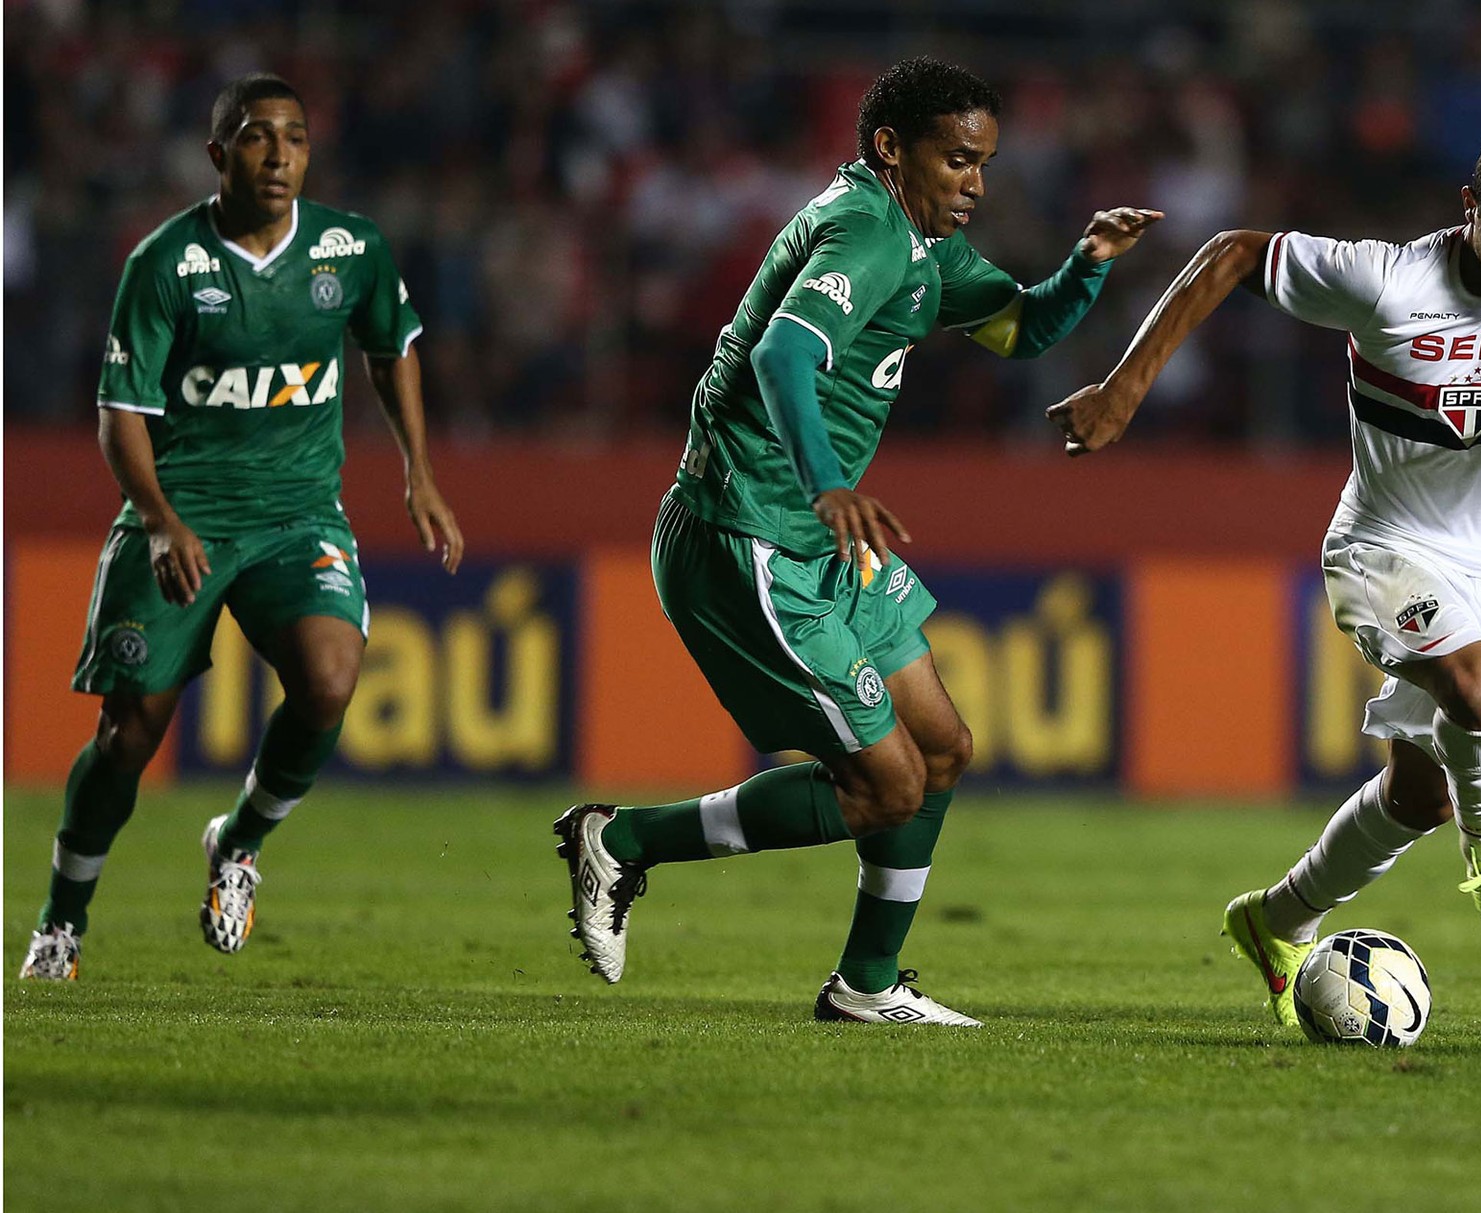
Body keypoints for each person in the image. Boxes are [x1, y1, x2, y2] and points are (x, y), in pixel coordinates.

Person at [553, 57, 1159, 1025]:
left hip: (816, 537)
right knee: (886, 786)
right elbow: (784, 350)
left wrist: (1085, 265)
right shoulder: (866, 231)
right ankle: (623, 841)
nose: (976, 183)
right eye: (958, 159)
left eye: (985, 163)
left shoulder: (922, 246)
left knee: (944, 749)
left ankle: (867, 986)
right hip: (746, 533)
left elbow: (1021, 329)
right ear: (891, 148)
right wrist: (829, 481)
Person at [1046, 127, 1481, 1031]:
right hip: (1382, 546)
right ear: (1470, 210)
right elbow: (1234, 253)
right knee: (1479, 690)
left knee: (1419, 793)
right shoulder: (1388, 280)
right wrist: (1125, 388)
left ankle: (1274, 922)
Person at [18, 73, 464, 981]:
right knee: (130, 732)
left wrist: (418, 469)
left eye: (295, 138)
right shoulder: (165, 264)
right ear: (218, 154)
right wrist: (157, 521)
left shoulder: (353, 250)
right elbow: (120, 414)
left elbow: (394, 347)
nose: (279, 155)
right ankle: (63, 918)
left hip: (298, 516)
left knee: (333, 679)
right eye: (258, 138)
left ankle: (240, 841)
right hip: (182, 513)